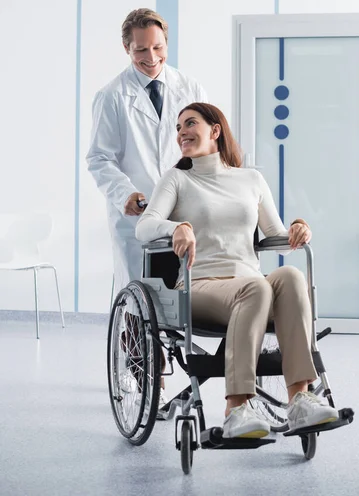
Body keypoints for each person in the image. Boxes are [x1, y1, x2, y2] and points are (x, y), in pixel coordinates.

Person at [136, 103, 339, 439]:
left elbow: (275, 234)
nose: (181, 132)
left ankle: (301, 399)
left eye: (190, 123)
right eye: (177, 127)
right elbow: (144, 227)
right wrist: (176, 228)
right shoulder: (178, 179)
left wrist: (299, 227)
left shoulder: (251, 179)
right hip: (200, 285)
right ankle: (237, 408)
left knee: (290, 276)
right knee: (257, 287)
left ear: (215, 130)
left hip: (247, 285)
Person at [87, 9, 208, 400]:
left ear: (166, 44)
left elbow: (205, 146)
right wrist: (127, 195)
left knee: (180, 292)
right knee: (139, 297)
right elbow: (100, 158)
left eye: (158, 47)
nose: (151, 57)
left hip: (183, 212)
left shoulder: (189, 87)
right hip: (135, 215)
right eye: (141, 50)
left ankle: (184, 360)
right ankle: (144, 374)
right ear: (126, 47)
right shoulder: (111, 96)